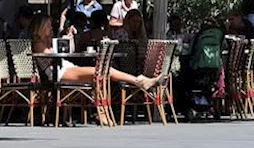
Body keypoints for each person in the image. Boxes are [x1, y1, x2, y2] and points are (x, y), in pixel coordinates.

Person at [29, 12, 158, 90]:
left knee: (101, 73)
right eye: (48, 25)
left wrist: (68, 40)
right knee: (103, 71)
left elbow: (69, 52)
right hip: (58, 73)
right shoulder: (38, 42)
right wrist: (60, 42)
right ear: (41, 27)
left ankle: (139, 81)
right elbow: (51, 57)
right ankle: (139, 81)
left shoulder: (48, 40)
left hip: (65, 67)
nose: (51, 28)